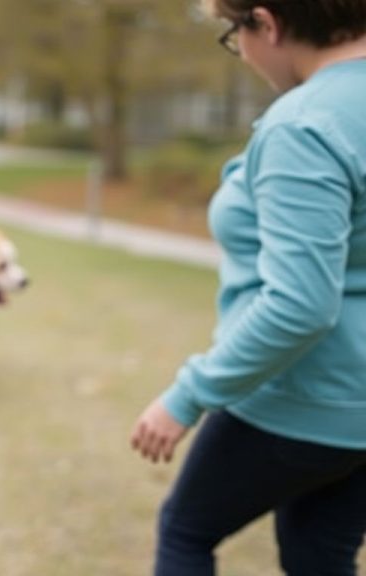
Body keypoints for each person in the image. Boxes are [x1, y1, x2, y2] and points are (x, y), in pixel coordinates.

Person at [130, 1, 366, 574]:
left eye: (235, 32)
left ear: (269, 22)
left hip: (302, 396)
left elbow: (300, 306)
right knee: (318, 551)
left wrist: (188, 395)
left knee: (185, 531)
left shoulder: (307, 125)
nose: (243, 51)